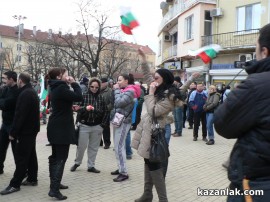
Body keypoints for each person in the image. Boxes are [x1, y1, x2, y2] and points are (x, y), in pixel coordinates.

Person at [132, 48, 199, 202]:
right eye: (154, 78)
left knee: (155, 167)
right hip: (147, 131)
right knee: (147, 162)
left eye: (157, 77)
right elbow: (147, 74)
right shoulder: (158, 87)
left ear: (164, 79)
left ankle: (163, 199)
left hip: (156, 133)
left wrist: (149, 93)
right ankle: (147, 194)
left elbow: (153, 111)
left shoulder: (169, 95)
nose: (153, 80)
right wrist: (143, 58)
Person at [214, 23, 270, 202]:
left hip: (258, 185)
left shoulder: (257, 85)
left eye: (256, 48)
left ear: (265, 52)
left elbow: (223, 125)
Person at [0, 73, 40, 195]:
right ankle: (32, 178)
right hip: (31, 130)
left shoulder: (25, 94)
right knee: (31, 155)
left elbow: (20, 116)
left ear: (20, 80)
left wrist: (13, 132)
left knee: (22, 158)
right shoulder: (29, 91)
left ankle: (14, 184)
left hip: (25, 131)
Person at [46, 67, 83, 200]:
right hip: (61, 128)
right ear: (59, 77)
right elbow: (79, 96)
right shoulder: (62, 88)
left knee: (55, 157)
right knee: (61, 158)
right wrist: (73, 83)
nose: (68, 76)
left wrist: (69, 107)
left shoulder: (55, 86)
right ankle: (54, 189)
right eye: (66, 74)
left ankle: (54, 184)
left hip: (55, 125)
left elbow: (62, 103)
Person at [70, 77, 109, 173]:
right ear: (89, 86)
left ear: (99, 87)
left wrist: (102, 125)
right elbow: (76, 108)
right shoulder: (84, 95)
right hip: (84, 125)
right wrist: (85, 108)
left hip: (97, 126)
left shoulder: (101, 97)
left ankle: (91, 165)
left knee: (93, 147)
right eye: (92, 87)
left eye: (96, 87)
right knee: (81, 146)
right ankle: (77, 162)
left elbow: (105, 112)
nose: (94, 89)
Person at [110, 73, 141, 182]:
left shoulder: (130, 91)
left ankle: (124, 172)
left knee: (119, 147)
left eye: (119, 80)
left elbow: (119, 103)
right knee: (118, 146)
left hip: (124, 122)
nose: (117, 82)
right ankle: (120, 168)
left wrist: (116, 90)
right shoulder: (125, 90)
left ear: (126, 81)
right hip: (118, 120)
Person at [0, 71, 18, 175]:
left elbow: (6, 104)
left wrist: (3, 102)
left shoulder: (17, 91)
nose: (3, 80)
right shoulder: (5, 89)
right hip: (4, 123)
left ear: (11, 79)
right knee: (1, 147)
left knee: (16, 150)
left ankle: (20, 171)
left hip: (13, 124)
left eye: (5, 78)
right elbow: (2, 102)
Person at [99, 77, 113, 149]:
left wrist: (107, 108)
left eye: (102, 82)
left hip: (106, 112)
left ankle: (107, 143)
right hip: (97, 112)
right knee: (97, 127)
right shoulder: (97, 90)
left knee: (106, 128)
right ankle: (99, 142)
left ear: (105, 83)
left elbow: (112, 102)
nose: (100, 84)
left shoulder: (110, 91)